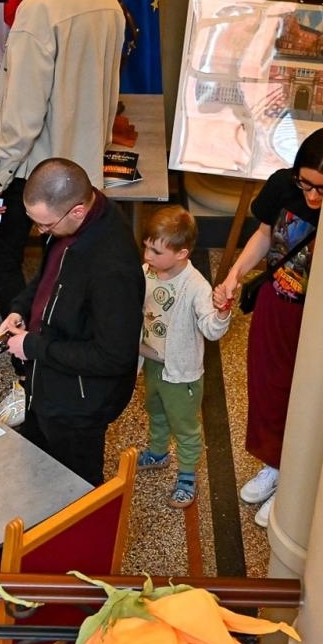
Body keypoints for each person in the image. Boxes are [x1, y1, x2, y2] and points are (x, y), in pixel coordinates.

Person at [0, 0, 124, 319]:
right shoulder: (110, 6)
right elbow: (111, 93)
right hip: (83, 170)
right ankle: (55, 334)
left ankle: (24, 344)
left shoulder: (37, 9)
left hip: (36, 169)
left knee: (2, 256)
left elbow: (24, 109)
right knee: (64, 261)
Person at [214, 128, 323, 528]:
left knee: (305, 396)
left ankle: (296, 484)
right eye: (307, 185)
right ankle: (275, 463)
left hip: (317, 319)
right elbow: (265, 234)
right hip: (275, 306)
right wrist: (235, 274)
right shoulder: (282, 187)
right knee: (267, 388)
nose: (312, 197)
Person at [0, 158, 142, 486]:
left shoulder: (112, 269)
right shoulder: (74, 223)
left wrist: (33, 346)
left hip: (79, 404)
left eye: (45, 225)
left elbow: (114, 356)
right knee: (38, 469)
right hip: (48, 382)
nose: (40, 232)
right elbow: (50, 277)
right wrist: (21, 307)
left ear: (77, 211)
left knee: (76, 487)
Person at [137, 206, 232, 509]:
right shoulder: (148, 271)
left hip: (181, 374)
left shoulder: (196, 287)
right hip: (151, 361)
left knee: (185, 425)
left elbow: (211, 329)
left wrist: (222, 312)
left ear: (181, 253)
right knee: (156, 410)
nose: (147, 256)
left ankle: (187, 475)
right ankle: (158, 451)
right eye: (146, 246)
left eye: (155, 251)